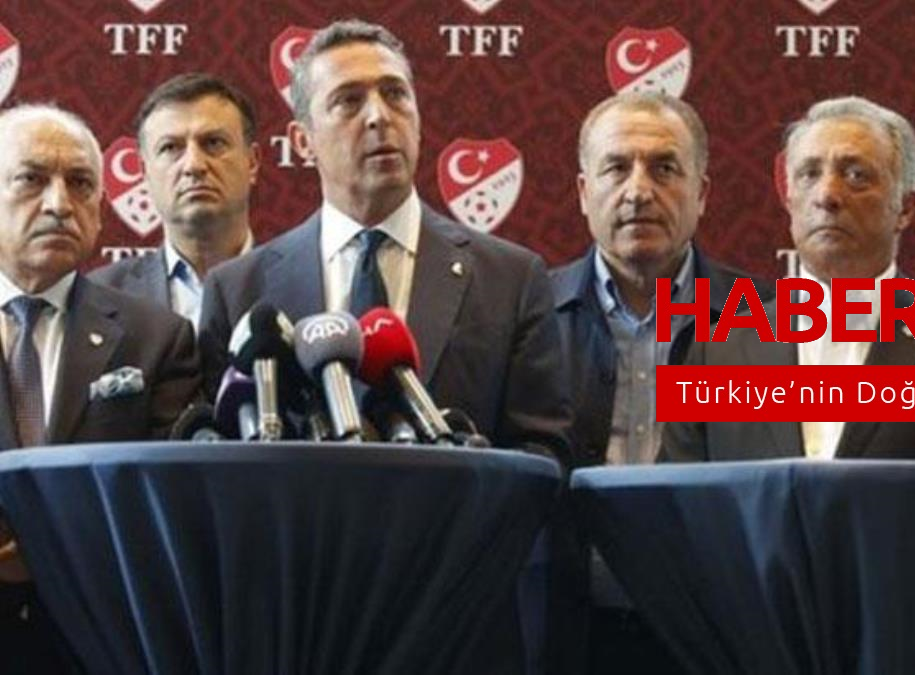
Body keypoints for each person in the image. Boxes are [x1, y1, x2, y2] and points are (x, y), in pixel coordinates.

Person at [197, 19, 571, 462]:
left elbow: (542, 455)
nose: (378, 116)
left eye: (395, 94)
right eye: (349, 101)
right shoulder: (237, 291)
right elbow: (216, 465)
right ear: (303, 141)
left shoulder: (511, 279)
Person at [661, 95, 915, 462]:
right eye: (809, 174)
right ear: (789, 199)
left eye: (856, 175)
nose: (827, 194)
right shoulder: (716, 350)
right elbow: (680, 492)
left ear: (905, 208)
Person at [549, 92, 770, 674]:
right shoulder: (530, 314)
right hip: (565, 632)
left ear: (702, 194)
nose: (639, 190)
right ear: (583, 193)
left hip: (719, 636)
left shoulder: (768, 322)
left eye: (665, 168)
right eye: (617, 167)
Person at [0, 103, 200, 672]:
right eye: (31, 179)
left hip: (99, 640)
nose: (59, 203)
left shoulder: (156, 337)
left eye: (81, 184)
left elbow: (171, 502)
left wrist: (46, 549)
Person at [91, 73, 260, 330]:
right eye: (170, 148)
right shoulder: (99, 299)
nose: (193, 165)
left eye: (214, 143)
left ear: (252, 162)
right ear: (144, 172)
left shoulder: (302, 280)